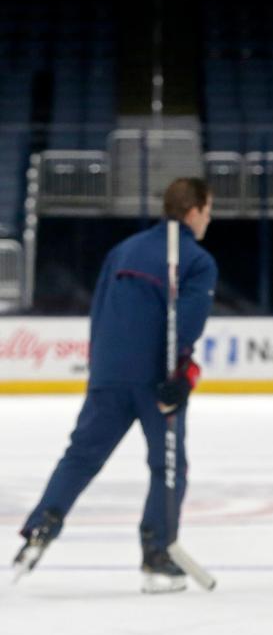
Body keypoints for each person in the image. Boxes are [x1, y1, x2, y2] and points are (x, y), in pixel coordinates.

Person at [13, 178, 217, 593]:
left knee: (81, 456)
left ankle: (40, 529)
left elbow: (100, 313)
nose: (209, 219)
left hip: (108, 373)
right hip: (156, 379)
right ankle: (157, 556)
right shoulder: (196, 260)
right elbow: (188, 325)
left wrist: (103, 368)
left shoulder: (122, 250)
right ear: (193, 211)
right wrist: (180, 378)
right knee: (168, 466)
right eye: (209, 210)